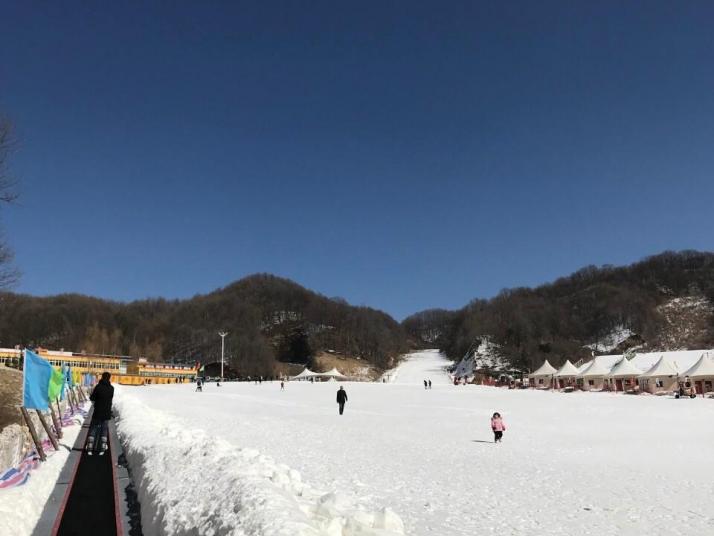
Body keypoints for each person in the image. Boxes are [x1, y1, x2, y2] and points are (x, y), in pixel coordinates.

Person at [87, 372, 114, 455]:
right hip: (106, 413)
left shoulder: (98, 387)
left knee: (93, 428)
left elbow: (92, 398)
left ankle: (90, 448)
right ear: (109, 378)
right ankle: (103, 447)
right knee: (104, 429)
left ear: (102, 377)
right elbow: (110, 398)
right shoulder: (111, 388)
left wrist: (92, 394)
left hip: (97, 412)